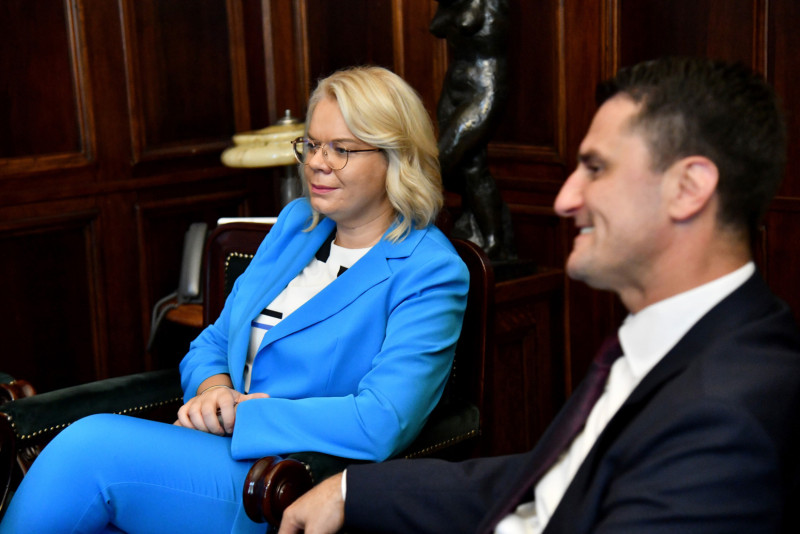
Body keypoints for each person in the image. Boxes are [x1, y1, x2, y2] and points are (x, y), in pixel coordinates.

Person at [277, 57, 800, 534]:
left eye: (596, 168)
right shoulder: (671, 341)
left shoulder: (728, 411)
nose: (565, 199)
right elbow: (552, 478)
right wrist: (351, 491)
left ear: (688, 189)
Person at [0, 66, 469, 533]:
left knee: (88, 447)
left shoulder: (429, 270)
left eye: (341, 149)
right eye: (311, 144)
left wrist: (245, 416)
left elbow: (383, 420)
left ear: (396, 156)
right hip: (213, 450)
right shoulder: (297, 225)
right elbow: (212, 342)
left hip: (287, 482)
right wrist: (213, 393)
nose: (317, 162)